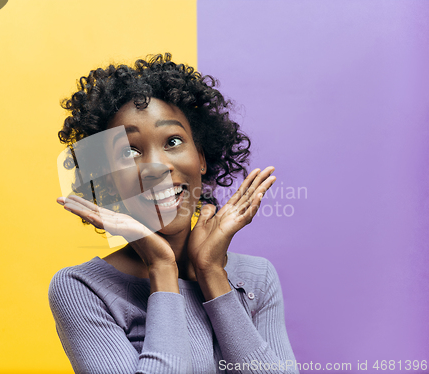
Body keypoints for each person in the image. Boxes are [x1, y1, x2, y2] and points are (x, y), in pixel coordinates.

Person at [49, 53, 299, 374]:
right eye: (129, 151)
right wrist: (162, 269)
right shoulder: (83, 289)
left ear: (201, 159)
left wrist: (210, 273)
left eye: (173, 141)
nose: (157, 167)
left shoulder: (256, 278)